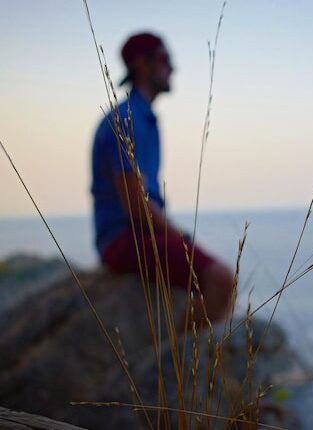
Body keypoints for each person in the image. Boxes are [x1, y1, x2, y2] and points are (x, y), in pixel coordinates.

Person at [91, 32, 233, 328]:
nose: (173, 68)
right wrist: (179, 236)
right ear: (142, 65)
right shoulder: (128, 119)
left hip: (135, 236)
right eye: (164, 59)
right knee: (221, 282)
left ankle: (172, 344)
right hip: (125, 239)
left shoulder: (140, 118)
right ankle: (171, 351)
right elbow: (136, 204)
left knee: (214, 281)